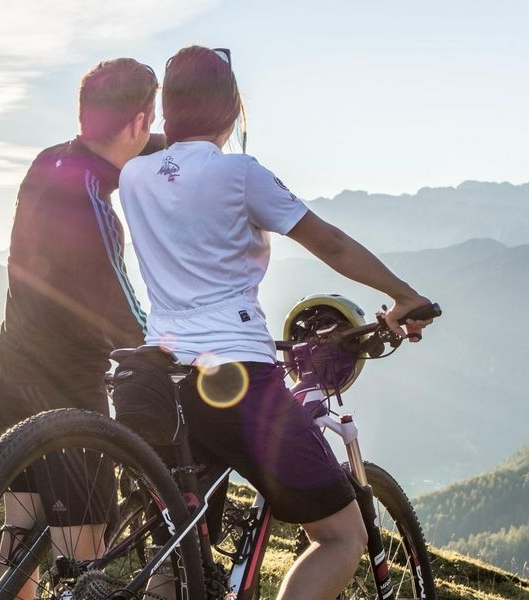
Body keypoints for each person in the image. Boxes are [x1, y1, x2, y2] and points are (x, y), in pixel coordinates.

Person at [118, 45, 434, 600]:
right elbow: (329, 243)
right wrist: (403, 296)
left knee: (180, 554)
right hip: (237, 378)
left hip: (158, 377)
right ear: (230, 110)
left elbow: (171, 154)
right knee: (341, 536)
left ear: (169, 110)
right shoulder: (239, 174)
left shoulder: (135, 175)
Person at [0, 57, 161, 597]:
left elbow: (122, 147)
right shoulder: (92, 202)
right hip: (62, 383)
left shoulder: (52, 160)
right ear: (138, 121)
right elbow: (119, 301)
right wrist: (161, 349)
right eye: (149, 120)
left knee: (25, 522)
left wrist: (173, 141)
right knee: (84, 548)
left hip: (10, 364)